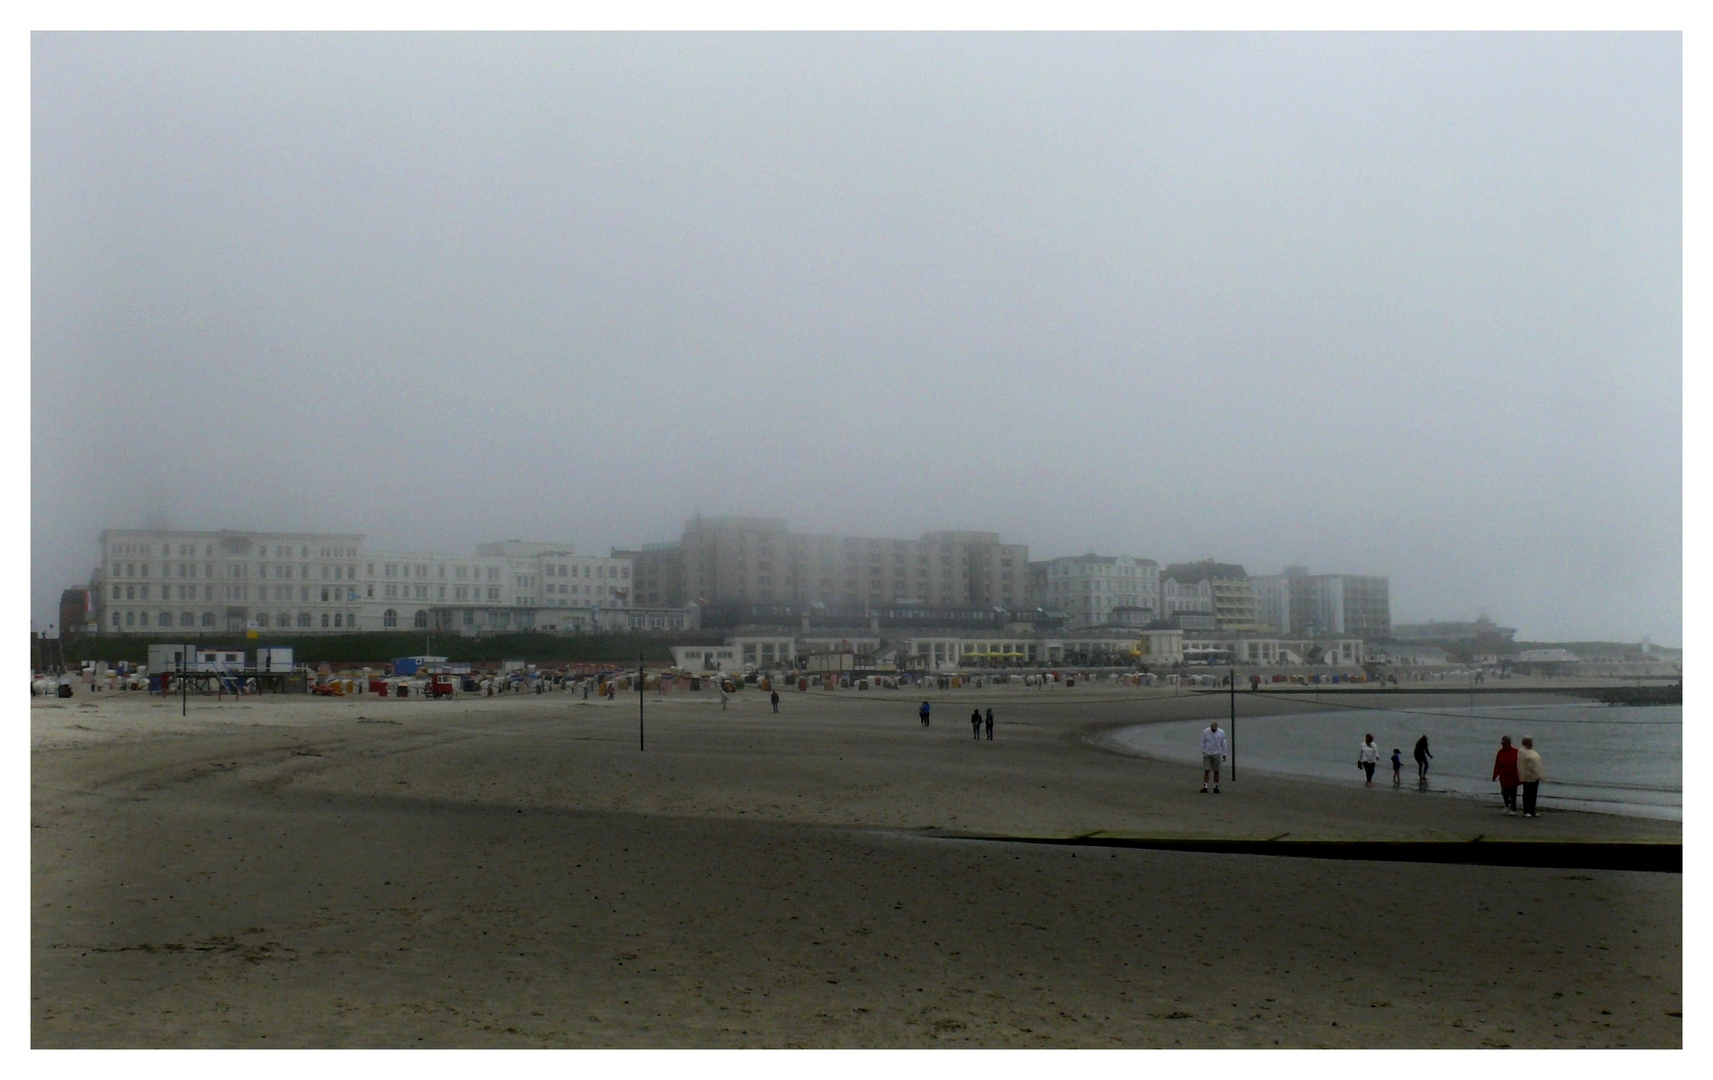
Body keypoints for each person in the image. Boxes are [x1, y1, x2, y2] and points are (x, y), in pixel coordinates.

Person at [1492, 735, 1520, 815]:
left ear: (1509, 743)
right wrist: (1495, 775)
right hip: (1503, 776)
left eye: (1505, 744)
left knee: (1513, 793)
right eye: (1502, 744)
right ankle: (1507, 805)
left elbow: (1520, 763)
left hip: (1513, 775)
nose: (1503, 745)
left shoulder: (1515, 751)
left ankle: (1513, 808)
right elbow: (1497, 764)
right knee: (1504, 792)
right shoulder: (1500, 752)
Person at [1517, 736, 1544, 817]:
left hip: (1535, 776)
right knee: (1527, 794)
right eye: (1530, 742)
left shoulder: (1532, 751)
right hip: (1528, 776)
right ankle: (1526, 811)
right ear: (1525, 743)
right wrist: (1522, 777)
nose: (1531, 744)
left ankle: (1532, 810)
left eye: (1531, 742)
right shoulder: (1522, 751)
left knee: (1533, 794)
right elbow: (1521, 765)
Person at [1200, 720, 1227, 793]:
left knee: (1216, 771)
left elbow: (1223, 743)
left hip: (1216, 753)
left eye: (1214, 729)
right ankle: (1205, 786)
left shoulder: (1221, 732)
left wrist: (1224, 754)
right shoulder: (1205, 731)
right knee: (1206, 770)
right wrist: (1203, 751)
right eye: (1212, 729)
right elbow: (1203, 742)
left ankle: (1216, 786)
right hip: (1207, 753)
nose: (1213, 730)